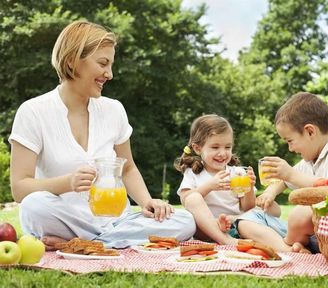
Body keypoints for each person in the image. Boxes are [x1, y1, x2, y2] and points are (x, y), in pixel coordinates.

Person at [8, 20, 195, 250]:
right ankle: (104, 241)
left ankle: (87, 244)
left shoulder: (113, 109)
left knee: (185, 221)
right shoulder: (34, 112)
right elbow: (19, 188)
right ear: (72, 61)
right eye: (103, 64)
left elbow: (128, 168)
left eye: (111, 65)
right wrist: (68, 182)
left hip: (117, 220)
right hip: (63, 218)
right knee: (33, 206)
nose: (110, 74)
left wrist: (147, 202)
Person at [235, 92, 328, 253]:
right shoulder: (309, 160)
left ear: (310, 131)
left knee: (300, 214)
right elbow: (284, 181)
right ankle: (292, 248)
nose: (290, 148)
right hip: (305, 235)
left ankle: (288, 246)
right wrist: (269, 193)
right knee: (246, 220)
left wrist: (291, 174)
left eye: (290, 141)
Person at [174, 114, 271, 245]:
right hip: (205, 229)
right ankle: (224, 239)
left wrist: (249, 188)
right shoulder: (192, 173)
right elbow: (186, 200)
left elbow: (247, 207)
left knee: (264, 212)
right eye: (215, 147)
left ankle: (276, 241)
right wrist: (210, 186)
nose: (222, 153)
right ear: (198, 148)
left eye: (227, 147)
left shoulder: (237, 173)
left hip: (234, 225)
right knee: (193, 198)